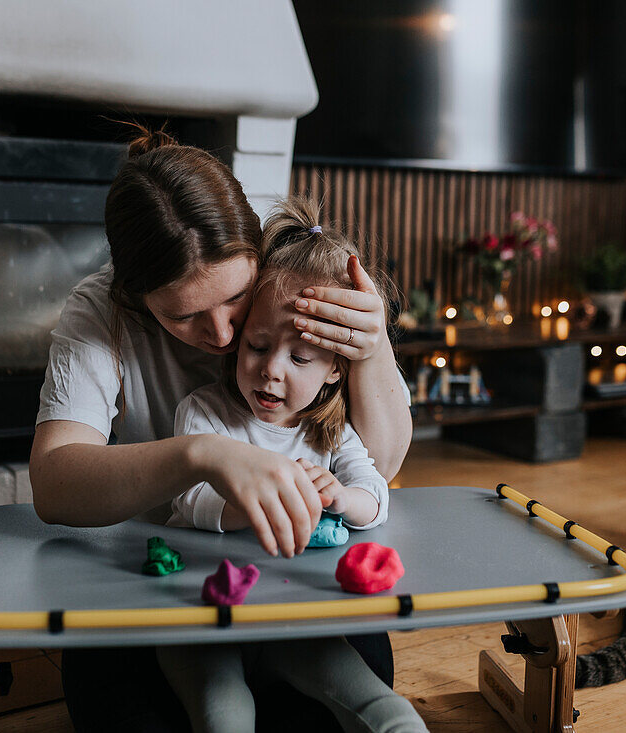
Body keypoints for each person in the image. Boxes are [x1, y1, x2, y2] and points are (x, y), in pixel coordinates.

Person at [29, 127, 412, 731]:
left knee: (344, 698)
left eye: (236, 298)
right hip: (156, 587)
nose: (225, 336)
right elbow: (53, 486)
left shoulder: (291, 286)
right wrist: (202, 456)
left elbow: (379, 468)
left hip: (290, 583)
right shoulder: (100, 311)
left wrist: (372, 345)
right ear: (135, 297)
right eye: (184, 314)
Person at [157, 198, 426, 733]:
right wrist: (254, 499)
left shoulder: (328, 432)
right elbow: (188, 501)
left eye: (300, 359)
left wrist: (340, 497)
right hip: (199, 617)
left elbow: (374, 492)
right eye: (256, 346)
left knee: (385, 711)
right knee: (225, 712)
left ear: (333, 371)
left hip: (295, 617)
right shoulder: (206, 414)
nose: (271, 372)